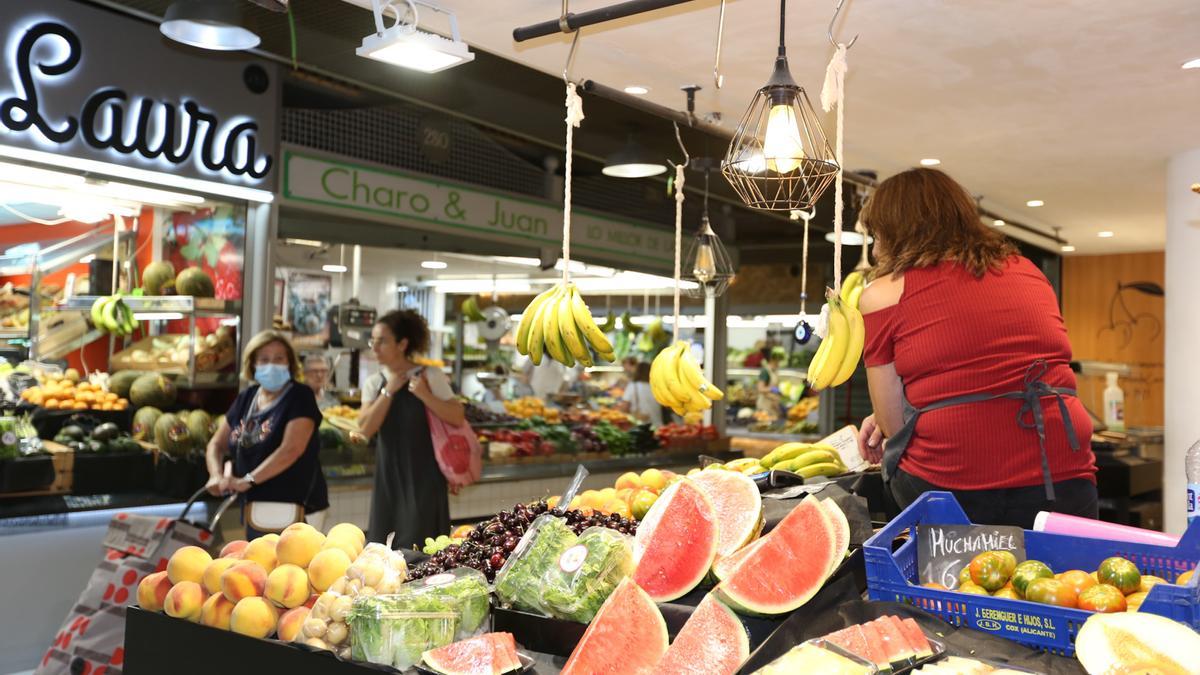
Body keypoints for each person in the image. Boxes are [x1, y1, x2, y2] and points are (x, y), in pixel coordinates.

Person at [855, 168, 1097, 528]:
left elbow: (891, 424)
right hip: (1063, 471)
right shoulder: (1029, 271)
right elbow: (995, 364)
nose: (874, 251)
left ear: (897, 232)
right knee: (1065, 580)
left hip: (954, 478)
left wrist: (895, 416)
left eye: (875, 236)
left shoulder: (883, 293)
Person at [357, 309, 465, 551]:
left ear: (402, 343)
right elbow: (364, 428)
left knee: (424, 548)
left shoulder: (430, 376)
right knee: (383, 548)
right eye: (372, 340)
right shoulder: (375, 383)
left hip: (425, 480)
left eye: (382, 340)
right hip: (389, 478)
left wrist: (425, 395)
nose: (374, 347)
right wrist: (390, 391)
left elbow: (457, 416)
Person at [206, 330, 329, 538]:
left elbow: (291, 450)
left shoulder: (300, 397)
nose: (272, 364)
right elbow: (216, 444)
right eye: (264, 359)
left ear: (289, 363)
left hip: (296, 507)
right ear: (253, 364)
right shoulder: (247, 397)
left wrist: (248, 480)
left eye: (279, 358)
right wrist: (215, 475)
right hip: (256, 508)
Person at [756, 348, 784, 418]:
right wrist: (772, 389)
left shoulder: (775, 371)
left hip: (773, 405)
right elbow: (760, 389)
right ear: (772, 360)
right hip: (765, 406)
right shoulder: (765, 372)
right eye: (777, 360)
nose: (778, 362)